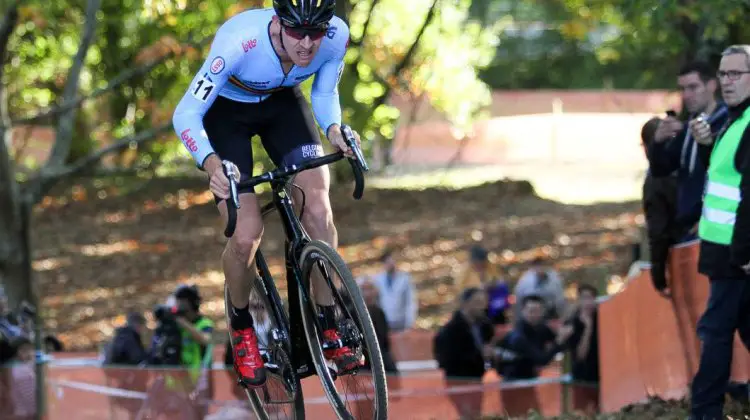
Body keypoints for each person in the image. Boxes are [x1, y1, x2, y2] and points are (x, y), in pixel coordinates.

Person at [171, 0, 361, 388]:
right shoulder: (239, 43)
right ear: (277, 22)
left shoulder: (336, 37)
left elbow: (324, 94)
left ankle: (327, 324)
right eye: (296, 32)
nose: (307, 44)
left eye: (315, 32)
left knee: (320, 214)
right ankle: (242, 328)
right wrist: (210, 164)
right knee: (246, 235)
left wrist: (336, 129)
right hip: (225, 113)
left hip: (282, 107)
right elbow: (185, 114)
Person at [689, 45, 750, 420]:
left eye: (736, 74)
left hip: (735, 256)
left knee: (715, 332)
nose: (726, 82)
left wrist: (742, 254)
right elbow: (721, 180)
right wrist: (705, 145)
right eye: (723, 74)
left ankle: (705, 411)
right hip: (725, 253)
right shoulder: (732, 119)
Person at [648, 61, 729, 243]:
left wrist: (710, 218)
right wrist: (659, 142)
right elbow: (661, 170)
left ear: (712, 85)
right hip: (685, 227)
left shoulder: (727, 124)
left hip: (713, 227)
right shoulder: (688, 127)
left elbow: (730, 180)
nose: (686, 95)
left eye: (693, 87)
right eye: (682, 89)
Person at [641, 117, 680, 296]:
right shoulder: (687, 167)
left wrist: (658, 277)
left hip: (680, 255)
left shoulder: (655, 182)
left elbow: (658, 233)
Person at [366, 248, 417, 332]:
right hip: (385, 320)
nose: (390, 264)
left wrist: (409, 321)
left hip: (401, 322)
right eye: (387, 262)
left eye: (391, 262)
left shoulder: (405, 279)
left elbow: (410, 302)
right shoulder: (378, 279)